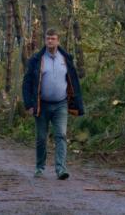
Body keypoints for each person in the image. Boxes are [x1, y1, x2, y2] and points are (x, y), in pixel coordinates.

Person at [22, 28, 84, 180]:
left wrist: (77, 102)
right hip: (41, 104)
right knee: (41, 138)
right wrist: (29, 104)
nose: (50, 41)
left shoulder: (66, 59)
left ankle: (61, 169)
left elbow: (74, 81)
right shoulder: (37, 60)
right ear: (45, 40)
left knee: (61, 135)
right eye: (48, 38)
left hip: (61, 104)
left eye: (53, 38)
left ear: (58, 41)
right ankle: (39, 168)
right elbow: (27, 83)